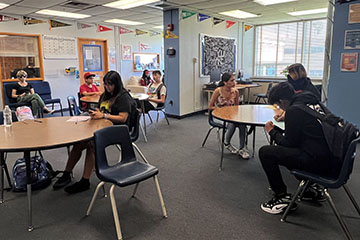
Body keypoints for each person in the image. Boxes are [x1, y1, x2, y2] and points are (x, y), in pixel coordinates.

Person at [53, 71, 137, 194]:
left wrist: (103, 115)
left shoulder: (123, 96)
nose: (107, 87)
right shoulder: (105, 95)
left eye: (110, 85)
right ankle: (66, 173)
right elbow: (99, 109)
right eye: (106, 84)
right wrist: (95, 113)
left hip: (118, 130)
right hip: (102, 126)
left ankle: (85, 181)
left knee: (92, 144)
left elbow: (123, 118)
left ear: (117, 84)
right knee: (80, 143)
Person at [259, 82, 332, 215]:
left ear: (282, 101)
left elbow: (288, 143)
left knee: (266, 152)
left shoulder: (294, 111)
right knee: (285, 153)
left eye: (278, 105)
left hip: (317, 162)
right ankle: (309, 188)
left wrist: (272, 132)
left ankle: (281, 197)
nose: (280, 108)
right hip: (329, 156)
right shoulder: (308, 99)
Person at [208, 72, 249, 159]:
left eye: (234, 80)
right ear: (225, 82)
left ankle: (242, 148)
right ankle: (227, 143)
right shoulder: (217, 91)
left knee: (242, 124)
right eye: (232, 80)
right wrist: (221, 110)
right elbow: (210, 106)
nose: (234, 82)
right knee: (232, 124)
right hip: (219, 117)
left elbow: (237, 107)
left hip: (232, 116)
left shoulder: (236, 92)